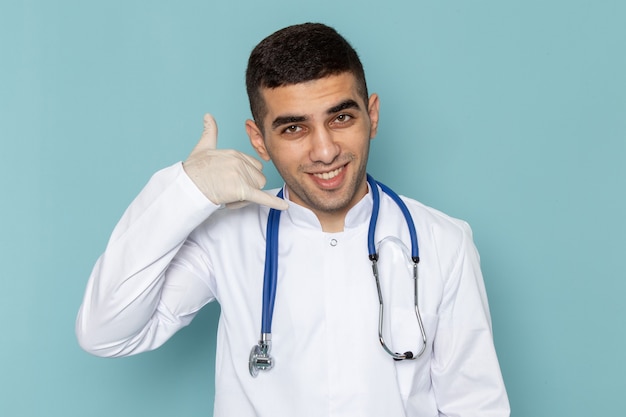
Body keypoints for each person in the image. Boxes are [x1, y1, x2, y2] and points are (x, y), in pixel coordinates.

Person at [76, 23, 510, 416]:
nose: (325, 151)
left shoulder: (442, 242)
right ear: (258, 141)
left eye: (341, 118)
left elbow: (475, 407)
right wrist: (184, 192)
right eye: (293, 128)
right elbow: (105, 333)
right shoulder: (225, 236)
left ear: (372, 115)